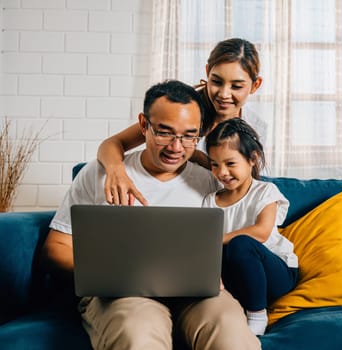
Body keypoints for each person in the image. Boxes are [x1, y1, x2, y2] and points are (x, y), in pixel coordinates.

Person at [41, 80, 261, 350]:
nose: (176, 147)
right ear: (143, 125)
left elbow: (250, 238)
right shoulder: (101, 173)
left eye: (189, 136)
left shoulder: (213, 181)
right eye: (165, 133)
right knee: (137, 333)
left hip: (197, 296)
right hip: (123, 296)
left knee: (231, 333)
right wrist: (112, 273)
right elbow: (57, 247)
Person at [97, 38, 263, 206]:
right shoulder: (186, 111)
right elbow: (112, 143)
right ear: (207, 72)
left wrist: (199, 157)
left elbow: (244, 180)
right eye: (216, 82)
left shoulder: (254, 126)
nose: (223, 94)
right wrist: (116, 171)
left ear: (255, 85)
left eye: (236, 86)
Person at [202, 118, 299, 335]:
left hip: (276, 275)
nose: (222, 172)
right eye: (215, 165)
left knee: (241, 243)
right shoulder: (210, 200)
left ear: (253, 158)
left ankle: (256, 314)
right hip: (238, 277)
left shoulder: (265, 191)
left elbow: (262, 232)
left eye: (230, 163)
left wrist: (218, 239)